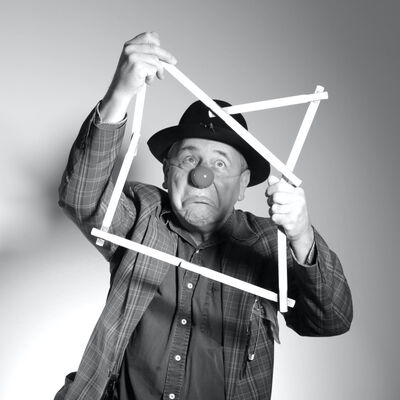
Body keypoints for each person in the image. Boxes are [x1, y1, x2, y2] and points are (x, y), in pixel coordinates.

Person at [55, 32, 353, 400]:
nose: (202, 175)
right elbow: (81, 196)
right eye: (189, 159)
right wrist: (120, 94)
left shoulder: (266, 244)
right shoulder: (141, 216)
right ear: (167, 172)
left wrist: (302, 237)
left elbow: (330, 319)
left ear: (243, 185)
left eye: (220, 163)